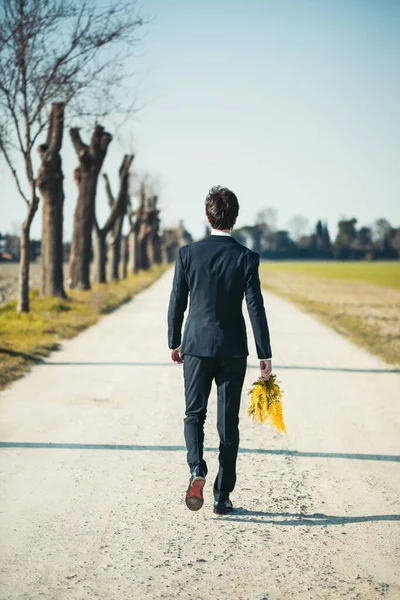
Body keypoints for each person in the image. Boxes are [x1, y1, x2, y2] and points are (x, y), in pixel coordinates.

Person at [167, 186, 272, 515]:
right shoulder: (246, 258)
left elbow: (177, 303)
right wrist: (264, 354)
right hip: (232, 349)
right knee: (228, 426)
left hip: (196, 346)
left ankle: (197, 469)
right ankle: (222, 496)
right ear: (235, 219)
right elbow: (256, 308)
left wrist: (174, 341)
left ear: (208, 216)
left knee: (193, 414)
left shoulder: (187, 254)